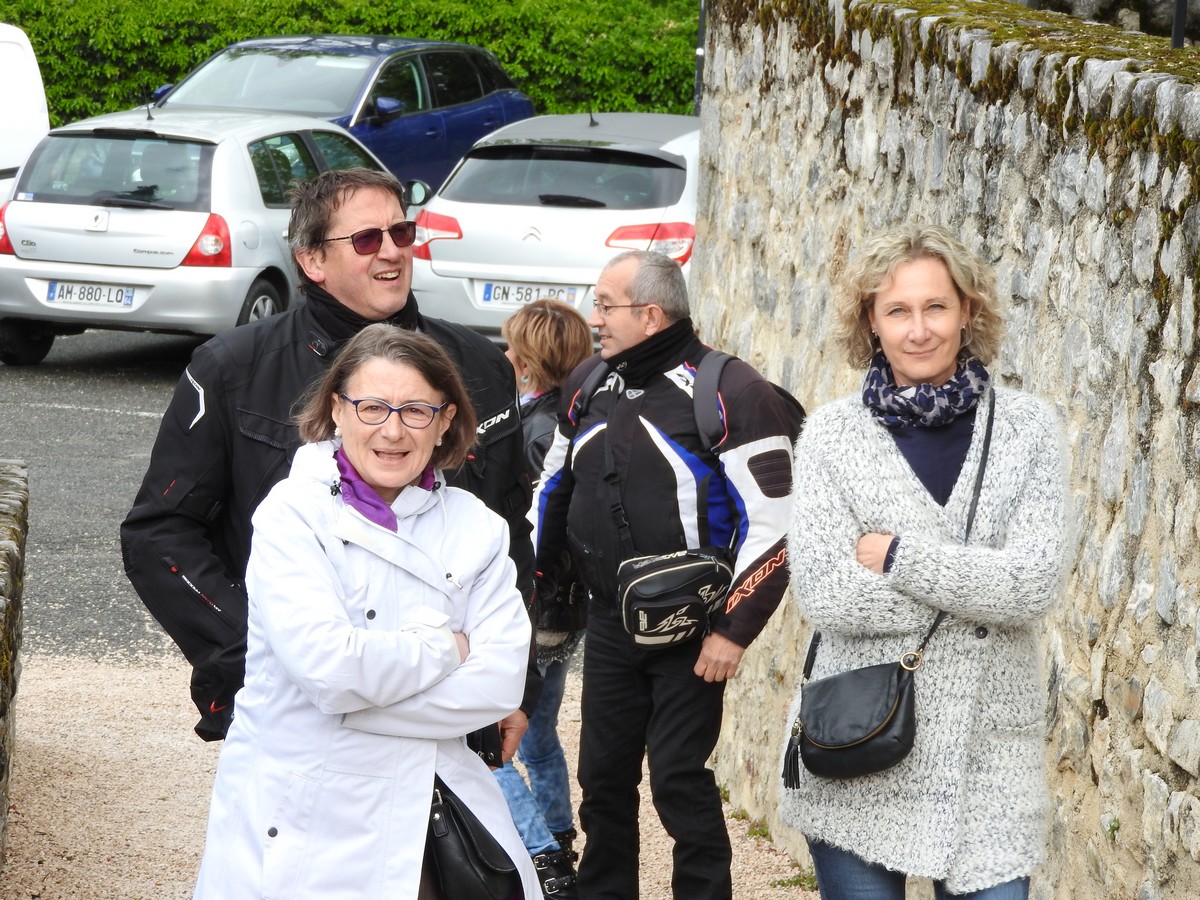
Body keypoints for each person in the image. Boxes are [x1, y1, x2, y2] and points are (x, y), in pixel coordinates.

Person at [120, 168, 537, 755]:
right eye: (367, 239)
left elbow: (509, 528)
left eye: (402, 232)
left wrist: (518, 682)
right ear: (312, 261)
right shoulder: (233, 368)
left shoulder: (480, 366)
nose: (392, 251)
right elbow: (159, 534)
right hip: (295, 710)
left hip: (447, 708)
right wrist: (258, 649)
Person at [193, 324, 540, 898]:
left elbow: (500, 684)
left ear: (446, 420)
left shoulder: (477, 527)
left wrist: (352, 707)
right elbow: (330, 670)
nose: (393, 430)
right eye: (373, 407)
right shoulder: (291, 516)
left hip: (424, 815)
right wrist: (447, 646)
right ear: (337, 410)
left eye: (416, 411)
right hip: (304, 822)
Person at [778, 224, 1067, 899]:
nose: (919, 330)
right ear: (870, 322)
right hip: (862, 737)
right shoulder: (831, 435)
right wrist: (976, 583)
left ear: (969, 311)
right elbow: (826, 593)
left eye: (936, 307)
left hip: (990, 756)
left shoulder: (1029, 428)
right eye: (897, 311)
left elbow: (1030, 585)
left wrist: (897, 556)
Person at [529, 251, 800, 899]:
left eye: (605, 305)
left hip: (695, 630)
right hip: (609, 624)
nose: (594, 319)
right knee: (602, 781)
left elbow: (779, 525)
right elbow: (551, 491)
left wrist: (733, 630)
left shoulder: (734, 393)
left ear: (650, 314)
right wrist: (536, 587)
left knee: (679, 779)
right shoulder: (587, 382)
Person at [493, 299, 594, 897]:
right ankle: (559, 835)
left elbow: (534, 523)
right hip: (567, 607)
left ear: (529, 360)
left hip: (535, 605)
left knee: (489, 735)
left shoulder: (533, 430)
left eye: (513, 348)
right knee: (540, 729)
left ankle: (541, 854)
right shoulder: (579, 415)